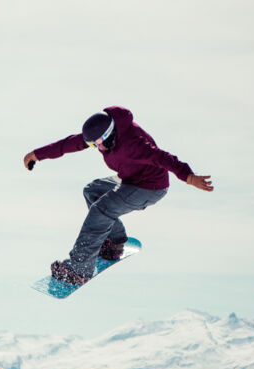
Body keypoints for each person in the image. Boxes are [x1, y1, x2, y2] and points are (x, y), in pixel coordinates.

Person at [23, 106, 214, 285]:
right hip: (129, 179)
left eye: (98, 143)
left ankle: (79, 271)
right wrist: (36, 155)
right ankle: (115, 243)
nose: (98, 148)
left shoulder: (133, 144)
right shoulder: (102, 135)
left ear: (110, 135)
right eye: (92, 144)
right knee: (92, 191)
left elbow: (164, 158)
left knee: (101, 210)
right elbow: (69, 144)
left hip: (150, 187)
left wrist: (188, 176)